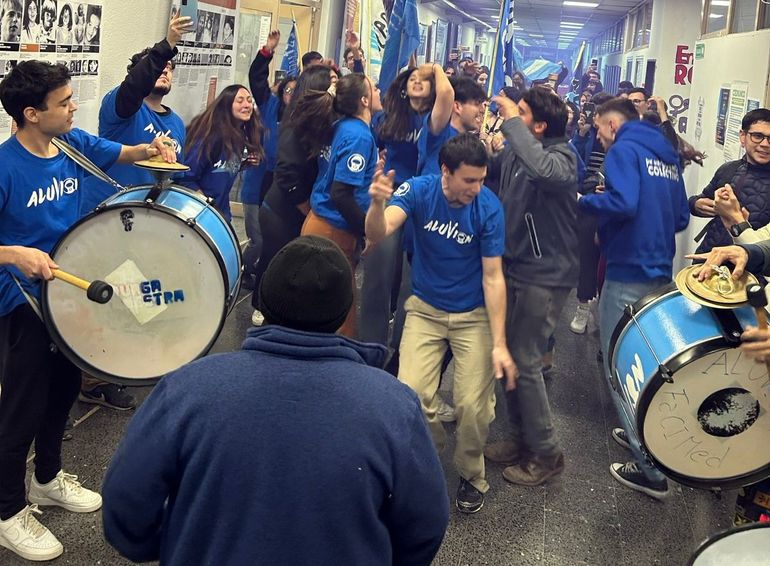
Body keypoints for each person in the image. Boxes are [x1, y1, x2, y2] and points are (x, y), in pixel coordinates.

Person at [102, 235, 449, 565]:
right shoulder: (394, 405)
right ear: (344, 314)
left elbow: (126, 500)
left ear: (263, 301)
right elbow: (426, 521)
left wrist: (175, 544)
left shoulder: (186, 387)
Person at [0, 60, 177, 562]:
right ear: (32, 114)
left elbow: (130, 151)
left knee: (61, 394)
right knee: (21, 410)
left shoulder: (71, 144)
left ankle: (47, 478)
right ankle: (7, 511)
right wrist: (15, 253)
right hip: (22, 302)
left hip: (69, 293)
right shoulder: (5, 167)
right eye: (64, 102)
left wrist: (156, 149)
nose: (75, 106)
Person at [366, 133, 517, 514]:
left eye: (482, 179)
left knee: (471, 405)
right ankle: (427, 463)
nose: (477, 188)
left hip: (473, 316)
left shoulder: (488, 208)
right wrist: (377, 203)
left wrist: (499, 342)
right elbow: (379, 232)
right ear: (445, 171)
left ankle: (471, 474)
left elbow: (493, 277)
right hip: (425, 310)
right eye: (470, 180)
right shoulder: (419, 190)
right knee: (411, 394)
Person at [578, 97, 689, 499]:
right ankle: (646, 434)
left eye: (598, 131)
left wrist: (584, 201)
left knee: (618, 364)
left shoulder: (624, 149)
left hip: (626, 269)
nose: (600, 140)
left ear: (610, 125)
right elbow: (680, 218)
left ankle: (650, 470)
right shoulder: (666, 155)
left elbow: (622, 202)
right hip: (660, 269)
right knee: (647, 361)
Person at [482, 87, 578, 487]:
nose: (512, 118)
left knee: (525, 358)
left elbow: (543, 170)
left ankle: (546, 452)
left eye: (520, 113)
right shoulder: (522, 152)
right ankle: (522, 439)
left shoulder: (562, 159)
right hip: (517, 266)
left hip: (546, 273)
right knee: (511, 358)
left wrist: (508, 121)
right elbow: (497, 169)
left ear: (538, 125)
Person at [249, 64, 338, 326]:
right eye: (331, 83)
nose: (336, 88)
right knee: (273, 261)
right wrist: (305, 207)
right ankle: (261, 308)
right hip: (280, 210)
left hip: (293, 209)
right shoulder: (296, 120)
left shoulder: (320, 121)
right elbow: (286, 173)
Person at [301, 73, 382, 338]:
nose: (379, 92)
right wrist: (367, 229)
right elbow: (342, 193)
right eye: (374, 89)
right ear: (364, 100)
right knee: (339, 318)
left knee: (316, 309)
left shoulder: (342, 127)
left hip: (321, 222)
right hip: (333, 229)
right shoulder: (358, 135)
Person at [361, 65, 435, 348]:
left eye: (423, 80)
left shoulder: (436, 120)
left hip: (423, 204)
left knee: (411, 283)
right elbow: (370, 141)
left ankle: (402, 349)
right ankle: (371, 345)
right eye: (412, 80)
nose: (416, 83)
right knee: (377, 274)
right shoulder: (391, 117)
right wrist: (374, 170)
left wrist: (434, 71)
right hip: (391, 197)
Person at [242, 29, 296, 287]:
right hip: (258, 179)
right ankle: (245, 266)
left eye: (297, 91)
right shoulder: (268, 104)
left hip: (282, 183)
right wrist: (267, 50)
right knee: (258, 239)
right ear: (282, 90)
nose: (291, 94)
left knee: (275, 237)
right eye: (288, 89)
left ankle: (265, 274)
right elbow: (256, 77)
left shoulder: (302, 117)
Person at [691, 108, 770, 253]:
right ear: (743, 136)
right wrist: (695, 204)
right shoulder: (728, 169)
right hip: (708, 259)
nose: (765, 144)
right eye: (757, 136)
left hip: (749, 270)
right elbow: (703, 198)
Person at [180, 84, 264, 221]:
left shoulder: (240, 135)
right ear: (227, 104)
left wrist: (244, 164)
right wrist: (206, 205)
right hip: (198, 215)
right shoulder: (209, 136)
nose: (247, 105)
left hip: (222, 214)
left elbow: (220, 169)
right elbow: (185, 178)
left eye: (249, 100)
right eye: (240, 100)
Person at [417, 75, 485, 176]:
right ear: (457, 106)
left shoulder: (469, 141)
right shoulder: (439, 131)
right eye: (477, 104)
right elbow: (446, 92)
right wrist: (436, 68)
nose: (482, 110)